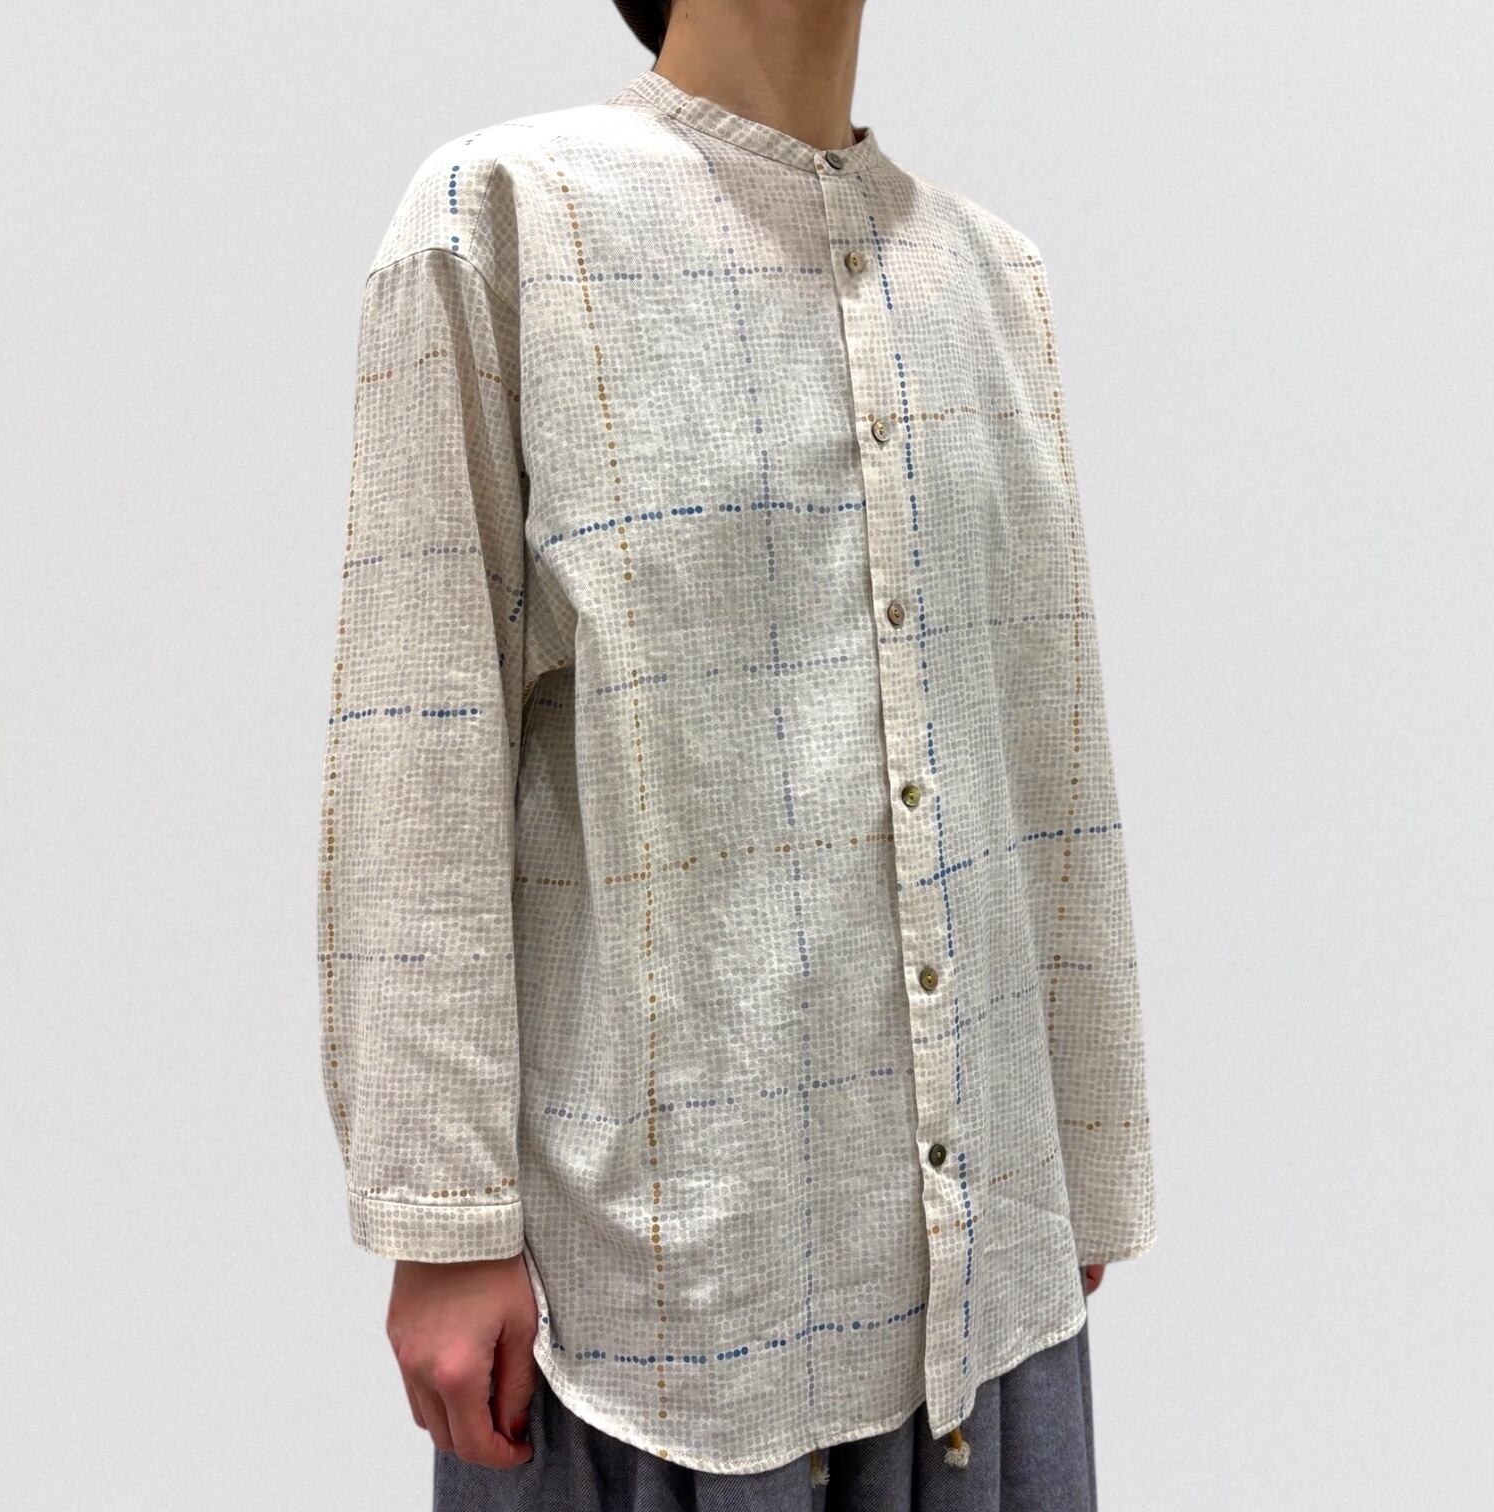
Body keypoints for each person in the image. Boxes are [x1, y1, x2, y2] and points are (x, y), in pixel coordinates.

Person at [315, 2, 1159, 1507]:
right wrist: (444, 1224)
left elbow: (1048, 749)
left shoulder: (990, 277)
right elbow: (417, 742)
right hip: (664, 1307)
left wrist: (1079, 1163)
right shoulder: (505, 220)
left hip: (987, 1293)